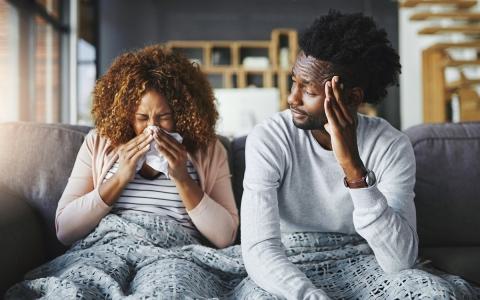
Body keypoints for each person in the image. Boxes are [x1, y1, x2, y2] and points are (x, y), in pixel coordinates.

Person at [241, 10, 445, 299]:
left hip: (364, 260)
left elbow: (400, 261)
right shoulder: (270, 138)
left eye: (308, 90)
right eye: (293, 82)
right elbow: (259, 247)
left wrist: (354, 169)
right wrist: (308, 295)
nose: (291, 98)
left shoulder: (391, 145)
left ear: (352, 98)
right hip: (289, 265)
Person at [56, 45, 238, 249]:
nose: (153, 127)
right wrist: (120, 176)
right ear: (125, 116)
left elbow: (225, 237)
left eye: (165, 117)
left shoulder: (210, 150)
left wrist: (182, 178)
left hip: (175, 256)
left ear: (183, 115)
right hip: (109, 248)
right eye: (142, 118)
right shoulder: (98, 143)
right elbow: (65, 229)